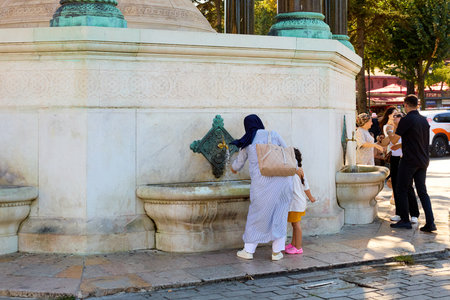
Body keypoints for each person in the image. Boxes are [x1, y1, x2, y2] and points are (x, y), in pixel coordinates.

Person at [230, 114, 295, 261]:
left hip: (262, 185)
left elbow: (237, 165)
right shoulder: (274, 135)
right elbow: (287, 153)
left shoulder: (247, 141)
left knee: (257, 216)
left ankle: (248, 250)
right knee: (280, 215)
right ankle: (276, 252)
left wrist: (233, 168)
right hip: (282, 183)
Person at [386, 95, 436, 232]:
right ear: (417, 105)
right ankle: (430, 222)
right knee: (422, 191)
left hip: (409, 160)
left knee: (401, 188)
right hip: (423, 160)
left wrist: (389, 131)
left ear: (406, 105)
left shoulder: (406, 119)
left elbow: (395, 141)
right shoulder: (424, 120)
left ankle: (404, 220)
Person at [381, 112, 419, 223]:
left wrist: (397, 142)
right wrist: (388, 133)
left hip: (405, 159)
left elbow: (399, 142)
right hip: (394, 159)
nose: (395, 117)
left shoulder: (405, 129)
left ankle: (414, 214)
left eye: (398, 116)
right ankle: (399, 213)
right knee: (396, 186)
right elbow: (385, 143)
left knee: (408, 186)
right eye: (394, 116)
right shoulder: (391, 130)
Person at [285, 148, 316, 255]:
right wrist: (310, 197)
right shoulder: (296, 170)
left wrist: (311, 197)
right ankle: (293, 244)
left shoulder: (296, 172)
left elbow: (305, 186)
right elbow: (305, 186)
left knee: (296, 225)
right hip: (296, 203)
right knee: (294, 225)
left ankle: (298, 247)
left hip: (296, 204)